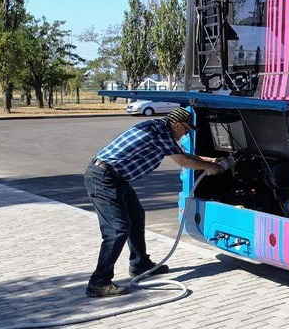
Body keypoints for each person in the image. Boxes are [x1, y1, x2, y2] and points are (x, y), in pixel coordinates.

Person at [84, 107, 228, 298]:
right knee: (118, 229)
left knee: (136, 216)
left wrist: (212, 160)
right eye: (185, 129)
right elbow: (184, 161)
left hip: (115, 178)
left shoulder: (159, 129)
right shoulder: (161, 133)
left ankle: (140, 264)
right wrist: (210, 167)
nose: (185, 134)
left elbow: (182, 155)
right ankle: (98, 283)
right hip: (104, 178)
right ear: (176, 124)